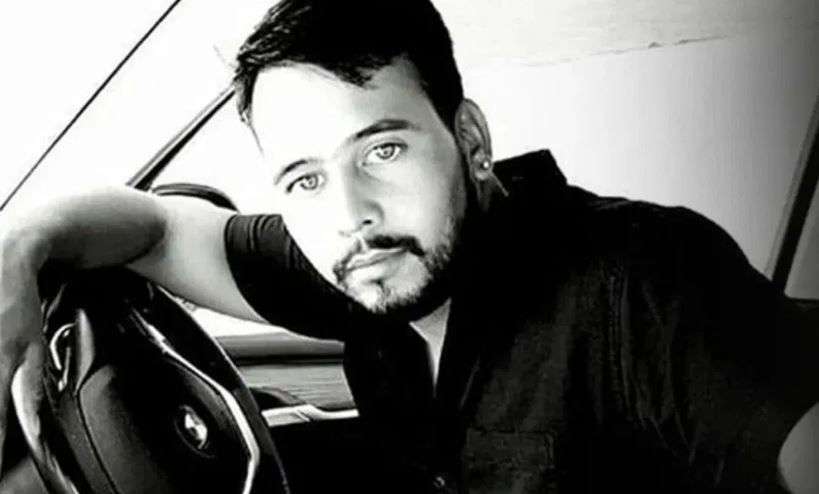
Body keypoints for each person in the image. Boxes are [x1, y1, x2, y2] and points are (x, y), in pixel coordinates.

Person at [1, 0, 817, 492]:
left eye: (381, 150)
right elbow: (154, 227)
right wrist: (17, 249)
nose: (349, 213)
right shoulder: (362, 264)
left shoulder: (646, 281)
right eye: (304, 179)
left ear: (470, 139)